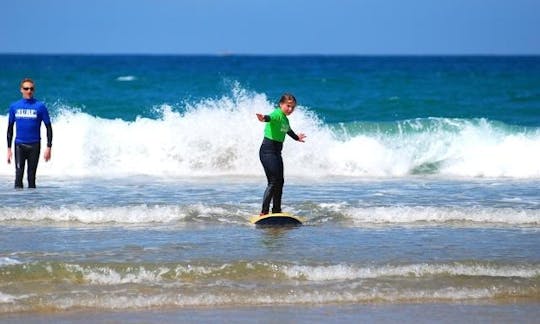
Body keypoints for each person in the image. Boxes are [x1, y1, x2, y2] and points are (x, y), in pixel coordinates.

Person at [256, 93, 306, 216]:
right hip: (267, 151)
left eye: (293, 107)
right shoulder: (277, 114)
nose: (290, 109)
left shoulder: (285, 119)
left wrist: (297, 138)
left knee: (280, 181)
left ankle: (277, 210)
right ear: (281, 104)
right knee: (273, 181)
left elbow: (288, 130)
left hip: (277, 152)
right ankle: (264, 212)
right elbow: (270, 117)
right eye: (288, 106)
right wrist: (263, 118)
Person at [6, 78, 53, 189]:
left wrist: (49, 148)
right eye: (26, 89)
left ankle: (31, 205)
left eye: (31, 89)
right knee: (18, 175)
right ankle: (18, 205)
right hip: (19, 145)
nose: (29, 91)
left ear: (34, 90)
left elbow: (49, 127)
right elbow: (10, 129)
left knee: (31, 177)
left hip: (34, 145)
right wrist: (8, 149)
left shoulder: (40, 107)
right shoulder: (14, 106)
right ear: (21, 90)